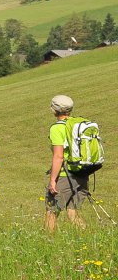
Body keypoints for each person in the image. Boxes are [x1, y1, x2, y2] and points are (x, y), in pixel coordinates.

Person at [46, 95, 90, 232]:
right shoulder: (80, 125)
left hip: (65, 175)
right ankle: (88, 239)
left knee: (51, 211)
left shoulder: (57, 128)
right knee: (72, 211)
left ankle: (48, 244)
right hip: (82, 173)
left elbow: (58, 156)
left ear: (54, 110)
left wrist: (53, 180)